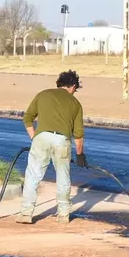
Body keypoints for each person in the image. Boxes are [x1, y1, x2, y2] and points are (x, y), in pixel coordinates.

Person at [17, 70, 88, 225]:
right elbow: (78, 134)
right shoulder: (75, 103)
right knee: (63, 177)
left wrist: (34, 138)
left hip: (41, 138)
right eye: (75, 89)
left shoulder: (43, 95)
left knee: (33, 176)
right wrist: (80, 154)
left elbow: (27, 118)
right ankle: (63, 215)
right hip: (62, 141)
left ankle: (26, 214)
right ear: (73, 86)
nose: (75, 92)